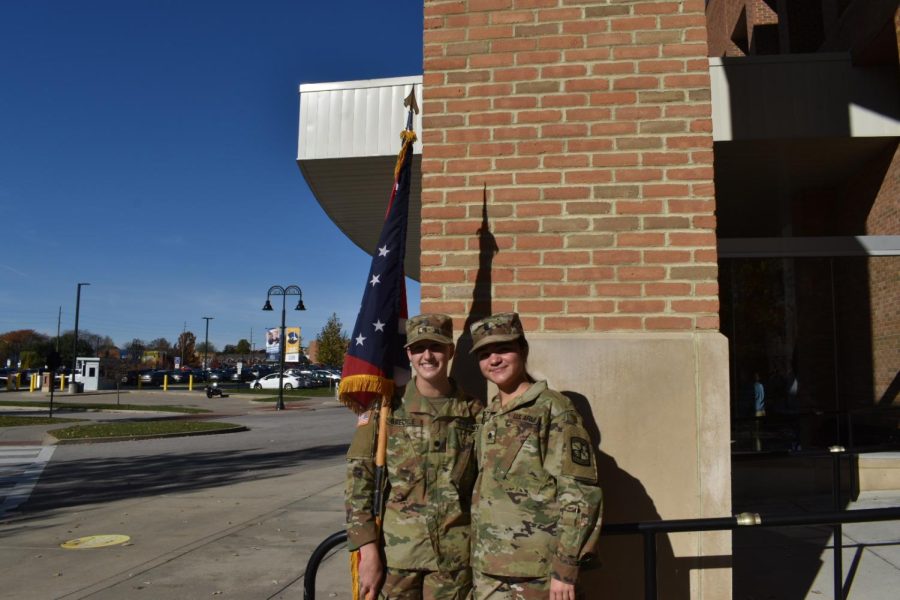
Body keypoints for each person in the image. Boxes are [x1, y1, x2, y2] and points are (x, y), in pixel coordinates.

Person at [345, 313, 482, 600]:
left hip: (453, 562)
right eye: (419, 348)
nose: (427, 356)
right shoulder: (386, 409)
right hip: (396, 557)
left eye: (436, 347)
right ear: (408, 353)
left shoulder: (474, 413)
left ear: (450, 351)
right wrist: (367, 551)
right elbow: (359, 484)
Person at [468, 313, 602, 600]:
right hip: (487, 570)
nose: (494, 360)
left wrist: (565, 568)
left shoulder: (553, 409)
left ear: (523, 350)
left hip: (536, 576)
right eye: (484, 353)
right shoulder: (488, 414)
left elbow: (579, 492)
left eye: (503, 349)